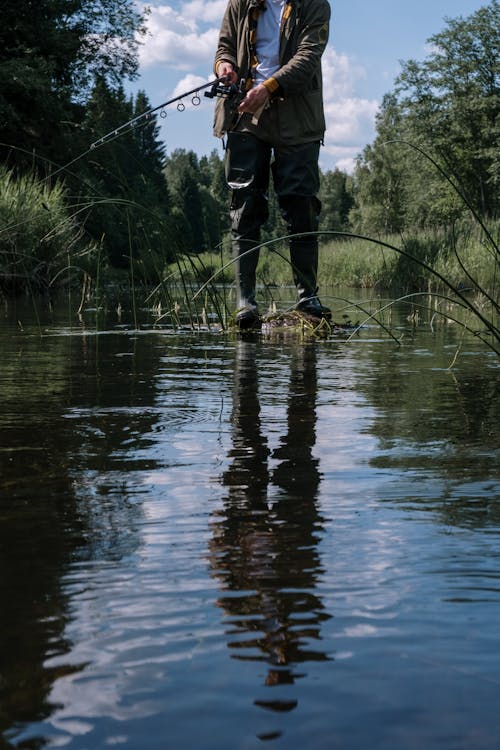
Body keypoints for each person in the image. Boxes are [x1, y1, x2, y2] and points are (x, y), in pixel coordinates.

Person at [213, 0, 331, 328]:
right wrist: (224, 67)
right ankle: (245, 302)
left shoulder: (315, 5)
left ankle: (308, 297)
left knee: (301, 203)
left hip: (298, 117)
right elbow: (224, 47)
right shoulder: (240, 3)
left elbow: (307, 58)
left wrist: (266, 88)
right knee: (244, 204)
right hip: (243, 115)